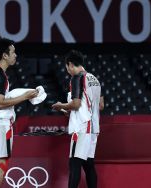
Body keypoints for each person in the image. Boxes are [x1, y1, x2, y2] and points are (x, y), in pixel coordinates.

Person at [0, 38, 38, 188]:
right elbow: (0, 103)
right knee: (2, 164)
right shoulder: (0, 75)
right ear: (5, 55)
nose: (15, 55)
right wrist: (25, 96)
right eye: (13, 52)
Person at [52, 50, 103, 188]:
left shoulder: (77, 78)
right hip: (93, 128)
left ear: (69, 64)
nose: (67, 70)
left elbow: (75, 104)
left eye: (67, 67)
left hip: (81, 128)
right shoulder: (94, 79)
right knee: (88, 165)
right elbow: (101, 105)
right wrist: (72, 112)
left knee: (74, 165)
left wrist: (60, 106)